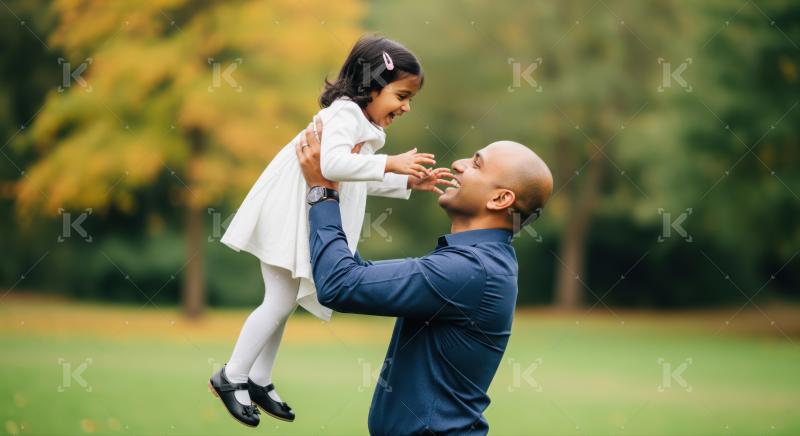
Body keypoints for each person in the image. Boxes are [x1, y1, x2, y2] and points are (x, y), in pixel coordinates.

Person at [208, 35, 452, 427]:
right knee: (278, 300)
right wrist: (391, 163)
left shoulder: (360, 123)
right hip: (287, 215)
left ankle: (259, 378)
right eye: (401, 95)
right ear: (371, 86)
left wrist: (406, 183)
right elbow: (334, 164)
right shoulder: (343, 115)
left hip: (298, 216)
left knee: (282, 300)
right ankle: (231, 376)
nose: (406, 107)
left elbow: (354, 177)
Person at [295, 117, 554, 434]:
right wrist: (344, 178)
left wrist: (323, 192)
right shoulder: (475, 263)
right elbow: (353, 272)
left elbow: (340, 285)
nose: (458, 164)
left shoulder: (472, 270)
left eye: (476, 164)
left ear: (500, 199)